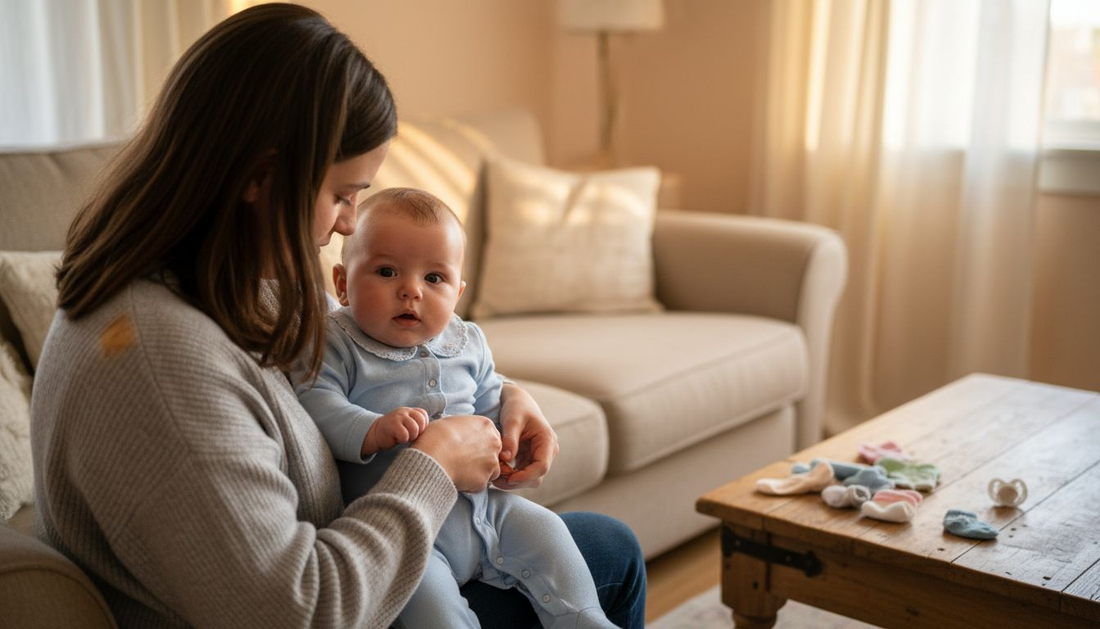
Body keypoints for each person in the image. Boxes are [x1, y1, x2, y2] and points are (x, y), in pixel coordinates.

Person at [30, 4, 645, 628]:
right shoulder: (157, 360)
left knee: (600, 543)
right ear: (259, 177)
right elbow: (297, 611)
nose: (348, 222)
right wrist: (431, 468)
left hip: (368, 565)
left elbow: (394, 352)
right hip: (343, 603)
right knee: (611, 556)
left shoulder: (236, 279)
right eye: (341, 195)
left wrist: (508, 398)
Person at [294, 188, 617, 628]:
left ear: (458, 292)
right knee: (428, 602)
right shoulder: (336, 342)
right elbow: (316, 403)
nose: (411, 290)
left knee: (548, 532)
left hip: (486, 508)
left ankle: (584, 618)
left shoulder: (467, 341)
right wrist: (371, 429)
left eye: (434, 279)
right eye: (387, 272)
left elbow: (489, 400)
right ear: (343, 284)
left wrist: (510, 436)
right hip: (408, 537)